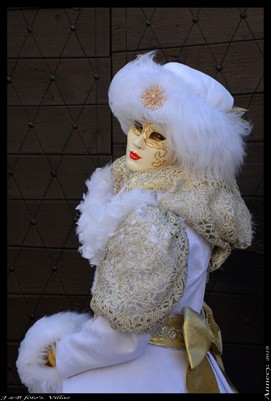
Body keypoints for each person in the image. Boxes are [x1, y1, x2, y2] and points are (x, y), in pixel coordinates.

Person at [16, 51, 252, 394]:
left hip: (133, 374)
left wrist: (59, 355)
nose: (139, 139)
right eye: (139, 125)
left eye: (159, 135)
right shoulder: (197, 204)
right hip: (184, 368)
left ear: (190, 147)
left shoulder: (152, 218)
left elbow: (123, 337)